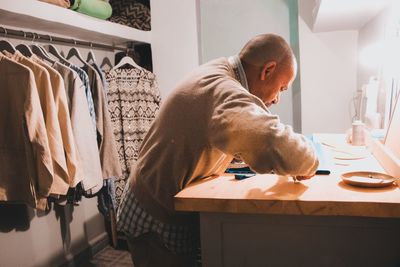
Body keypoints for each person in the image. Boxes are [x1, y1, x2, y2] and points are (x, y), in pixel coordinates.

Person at [117, 33, 319, 267]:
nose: (278, 99)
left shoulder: (220, 70)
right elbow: (274, 141)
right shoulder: (226, 93)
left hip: (150, 196)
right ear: (267, 70)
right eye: (282, 87)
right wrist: (311, 158)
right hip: (154, 216)